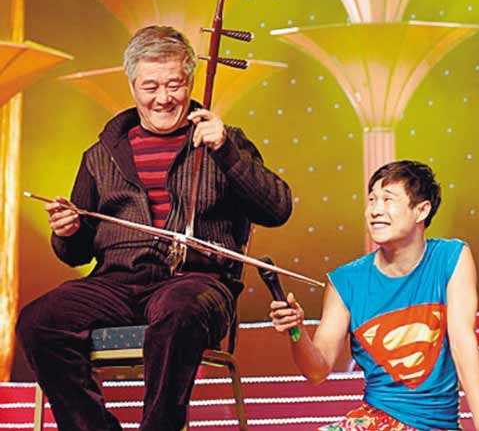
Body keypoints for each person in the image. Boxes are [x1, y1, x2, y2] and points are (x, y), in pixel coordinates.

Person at [16, 25, 292, 431]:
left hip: (197, 285)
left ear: (190, 83)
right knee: (39, 320)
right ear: (133, 87)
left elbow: (277, 209)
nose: (163, 98)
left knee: (178, 310)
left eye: (174, 85)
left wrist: (227, 153)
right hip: (117, 284)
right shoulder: (101, 154)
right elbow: (76, 254)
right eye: (151, 86)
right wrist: (68, 230)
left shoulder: (224, 142)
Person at [270, 160, 479, 431]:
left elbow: (462, 341)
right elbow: (317, 371)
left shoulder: (451, 258)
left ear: (421, 210)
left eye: (388, 200)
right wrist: (296, 330)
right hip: (374, 420)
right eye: (372, 200)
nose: (375, 210)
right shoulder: (345, 282)